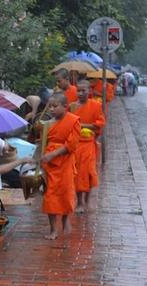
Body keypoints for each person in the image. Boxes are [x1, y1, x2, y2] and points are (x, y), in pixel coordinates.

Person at [40, 93, 81, 239]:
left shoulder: (73, 121)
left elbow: (71, 144)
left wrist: (53, 154)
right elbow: (43, 143)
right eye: (50, 106)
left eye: (55, 106)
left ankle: (65, 219)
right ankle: (53, 229)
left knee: (65, 193)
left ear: (65, 107)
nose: (51, 109)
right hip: (50, 165)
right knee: (50, 196)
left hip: (65, 162)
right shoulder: (48, 124)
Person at [69, 80, 105, 213]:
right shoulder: (72, 107)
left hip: (89, 144)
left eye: (84, 90)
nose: (80, 93)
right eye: (78, 90)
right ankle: (79, 201)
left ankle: (87, 199)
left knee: (89, 172)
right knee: (78, 173)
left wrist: (83, 125)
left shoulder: (95, 105)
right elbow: (68, 124)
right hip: (76, 144)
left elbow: (99, 124)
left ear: (89, 91)